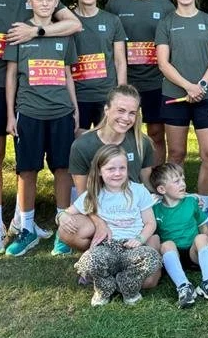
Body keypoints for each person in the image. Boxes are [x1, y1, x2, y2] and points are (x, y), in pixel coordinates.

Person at [0, 0, 80, 256]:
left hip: (40, 92)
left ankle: (24, 222)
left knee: (38, 161)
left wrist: (36, 31)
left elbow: (73, 24)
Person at [2, 0, 79, 257]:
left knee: (63, 168)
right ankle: (27, 229)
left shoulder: (64, 34)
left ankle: (63, 229)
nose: (44, 3)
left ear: (56, 2)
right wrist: (11, 115)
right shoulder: (19, 33)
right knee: (27, 170)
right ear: (30, 1)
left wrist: (75, 108)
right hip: (29, 112)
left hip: (61, 112)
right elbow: (11, 76)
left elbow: (68, 75)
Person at [155, 0, 208, 226]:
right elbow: (163, 63)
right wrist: (188, 87)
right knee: (176, 153)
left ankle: (203, 209)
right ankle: (175, 209)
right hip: (175, 95)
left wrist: (201, 85)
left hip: (207, 96)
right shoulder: (166, 23)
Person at [59, 84, 156, 255]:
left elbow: (147, 184)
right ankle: (101, 254)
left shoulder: (143, 143)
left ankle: (132, 251)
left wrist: (177, 196)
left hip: (133, 213)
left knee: (152, 263)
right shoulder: (82, 145)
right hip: (101, 210)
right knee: (66, 231)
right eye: (121, 110)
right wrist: (100, 223)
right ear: (107, 110)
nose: (126, 118)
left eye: (132, 113)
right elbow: (84, 196)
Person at [66, 145, 162, 307]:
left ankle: (128, 287)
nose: (117, 173)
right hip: (107, 246)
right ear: (99, 171)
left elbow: (150, 223)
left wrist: (140, 239)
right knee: (90, 260)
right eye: (111, 169)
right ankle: (103, 289)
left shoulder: (138, 190)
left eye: (122, 168)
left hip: (132, 247)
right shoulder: (94, 194)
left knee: (152, 258)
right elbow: (68, 212)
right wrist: (61, 216)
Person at [106, 0, 175, 164]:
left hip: (156, 81)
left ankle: (156, 178)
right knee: (122, 132)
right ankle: (124, 176)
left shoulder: (166, 7)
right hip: (126, 80)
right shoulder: (116, 5)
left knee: (156, 133)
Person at [151, 162, 208, 308]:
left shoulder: (191, 202)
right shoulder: (155, 209)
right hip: (171, 256)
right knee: (166, 244)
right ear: (162, 189)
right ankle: (184, 287)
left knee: (202, 238)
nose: (183, 184)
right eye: (176, 181)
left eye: (183, 179)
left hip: (193, 253)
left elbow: (203, 226)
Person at [70, 0, 127, 130]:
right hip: (77, 97)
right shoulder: (65, 22)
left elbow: (120, 61)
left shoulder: (112, 21)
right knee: (79, 142)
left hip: (107, 96)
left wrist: (121, 96)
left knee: (108, 143)